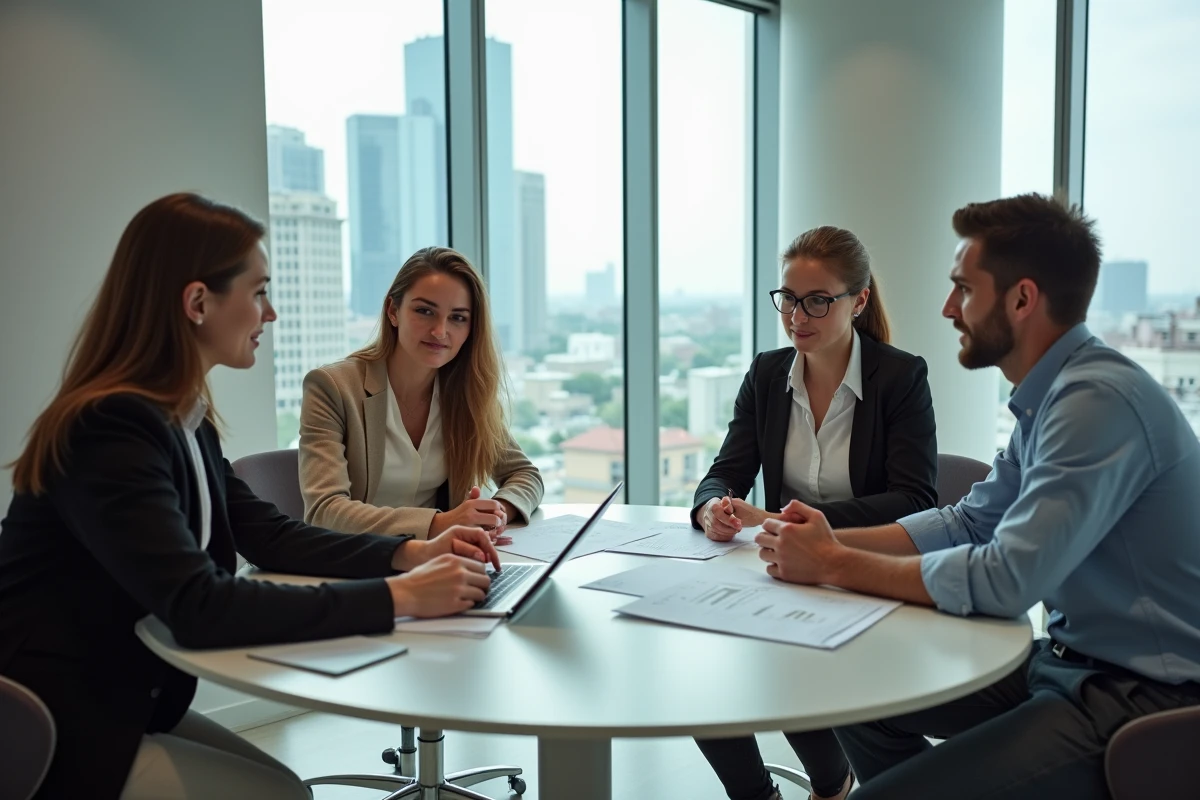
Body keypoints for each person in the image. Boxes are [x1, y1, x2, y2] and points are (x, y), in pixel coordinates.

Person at [0, 194, 502, 800]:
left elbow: (269, 533)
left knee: (287, 788)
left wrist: (406, 555)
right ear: (197, 302)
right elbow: (199, 606)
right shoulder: (110, 426)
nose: (271, 314)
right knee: (282, 796)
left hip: (124, 691)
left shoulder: (183, 417)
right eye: (259, 291)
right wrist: (400, 597)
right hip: (51, 714)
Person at [755, 194, 1200, 799]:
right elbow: (968, 522)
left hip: (1144, 696)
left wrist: (833, 563)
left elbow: (1006, 578)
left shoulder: (1097, 402)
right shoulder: (1049, 399)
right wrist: (823, 541)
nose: (947, 308)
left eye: (963, 288)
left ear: (1021, 299)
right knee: (854, 691)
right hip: (1067, 663)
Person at [691, 226, 938, 800]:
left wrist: (795, 522)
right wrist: (711, 509)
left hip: (864, 568)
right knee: (702, 674)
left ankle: (832, 784)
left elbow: (917, 499)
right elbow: (723, 471)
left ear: (860, 300)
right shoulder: (766, 373)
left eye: (818, 300)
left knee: (784, 671)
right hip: (785, 568)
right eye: (789, 299)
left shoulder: (900, 378)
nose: (798, 316)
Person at [299, 246, 543, 542]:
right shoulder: (333, 387)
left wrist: (495, 513)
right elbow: (325, 511)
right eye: (424, 311)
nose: (440, 331)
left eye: (458, 317)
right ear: (393, 311)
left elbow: (525, 475)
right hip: (359, 567)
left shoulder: (464, 391)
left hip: (442, 563)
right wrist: (441, 523)